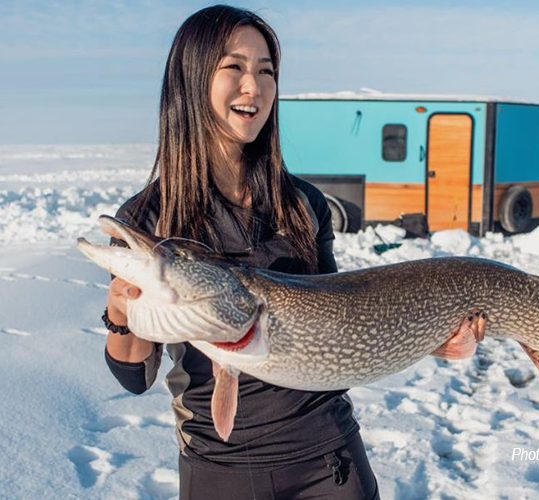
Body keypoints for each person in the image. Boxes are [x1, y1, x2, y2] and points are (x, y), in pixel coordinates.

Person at [102, 5, 485, 500]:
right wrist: (119, 313)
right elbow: (134, 375)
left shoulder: (303, 204)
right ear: (191, 79)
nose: (253, 86)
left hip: (329, 462)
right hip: (219, 469)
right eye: (234, 67)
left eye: (266, 71)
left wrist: (433, 335)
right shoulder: (148, 218)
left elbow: (345, 325)